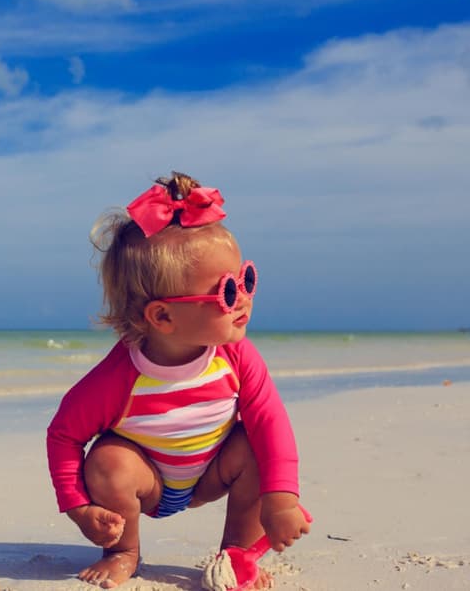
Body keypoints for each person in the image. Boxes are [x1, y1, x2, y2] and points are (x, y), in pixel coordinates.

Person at [46, 172, 311, 590]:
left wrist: (281, 498)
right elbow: (64, 435)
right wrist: (78, 508)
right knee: (108, 461)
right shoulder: (117, 379)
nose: (243, 298)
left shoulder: (236, 355)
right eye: (226, 291)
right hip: (147, 482)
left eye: (247, 279)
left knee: (255, 443)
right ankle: (123, 551)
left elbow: (270, 421)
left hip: (211, 473)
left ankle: (237, 555)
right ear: (163, 317)